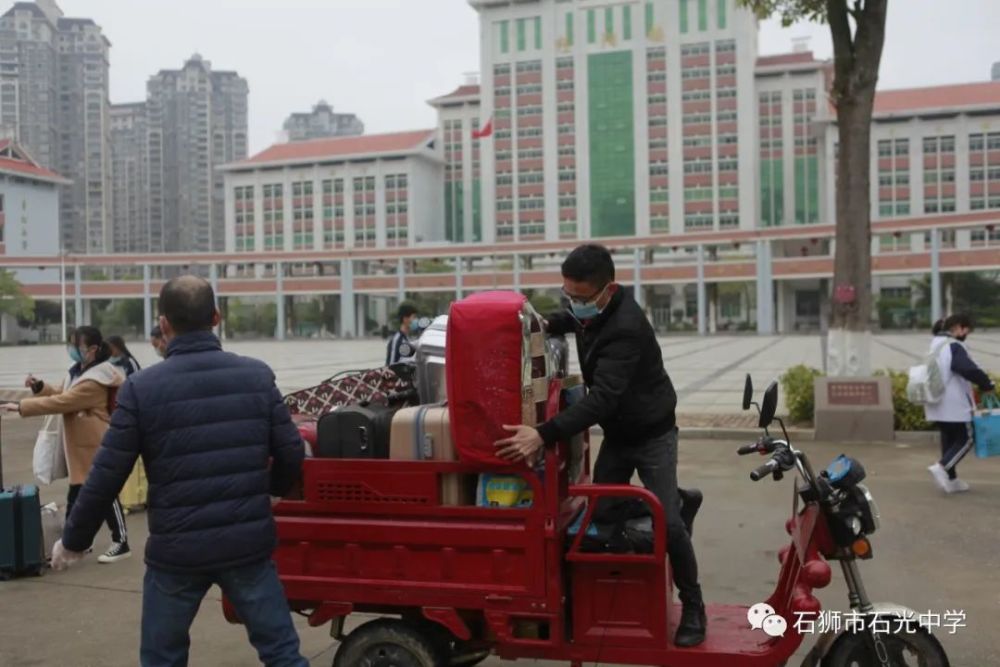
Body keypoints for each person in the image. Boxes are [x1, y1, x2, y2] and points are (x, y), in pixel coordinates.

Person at [48, 276, 308, 667]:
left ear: (164, 324)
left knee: (162, 658)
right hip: (246, 546)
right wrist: (271, 492)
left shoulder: (142, 388)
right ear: (216, 317)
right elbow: (291, 451)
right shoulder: (256, 375)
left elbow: (106, 474)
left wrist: (74, 540)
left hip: (176, 552)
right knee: (282, 653)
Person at [494, 244, 706, 647]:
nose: (574, 303)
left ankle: (695, 605)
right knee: (601, 516)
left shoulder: (626, 326)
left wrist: (542, 433)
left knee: (669, 526)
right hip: (619, 433)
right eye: (566, 294)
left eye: (580, 297)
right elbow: (572, 320)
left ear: (608, 290)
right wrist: (538, 323)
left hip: (651, 433)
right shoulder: (593, 309)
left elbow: (602, 399)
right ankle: (675, 500)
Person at [0, 326, 130, 563]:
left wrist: (21, 406)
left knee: (104, 494)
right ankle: (75, 544)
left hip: (95, 443)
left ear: (92, 349)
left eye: (76, 346)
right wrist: (40, 387)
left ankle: (120, 542)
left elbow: (64, 401)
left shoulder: (97, 378)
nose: (72, 350)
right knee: (79, 496)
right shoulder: (79, 371)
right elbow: (62, 392)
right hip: (80, 446)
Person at [925, 313, 995, 493]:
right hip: (954, 403)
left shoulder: (935, 344)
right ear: (958, 328)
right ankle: (942, 467)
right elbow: (965, 367)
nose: (966, 334)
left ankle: (952, 480)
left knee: (950, 440)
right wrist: (986, 383)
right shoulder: (954, 345)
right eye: (966, 331)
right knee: (967, 439)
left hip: (936, 402)